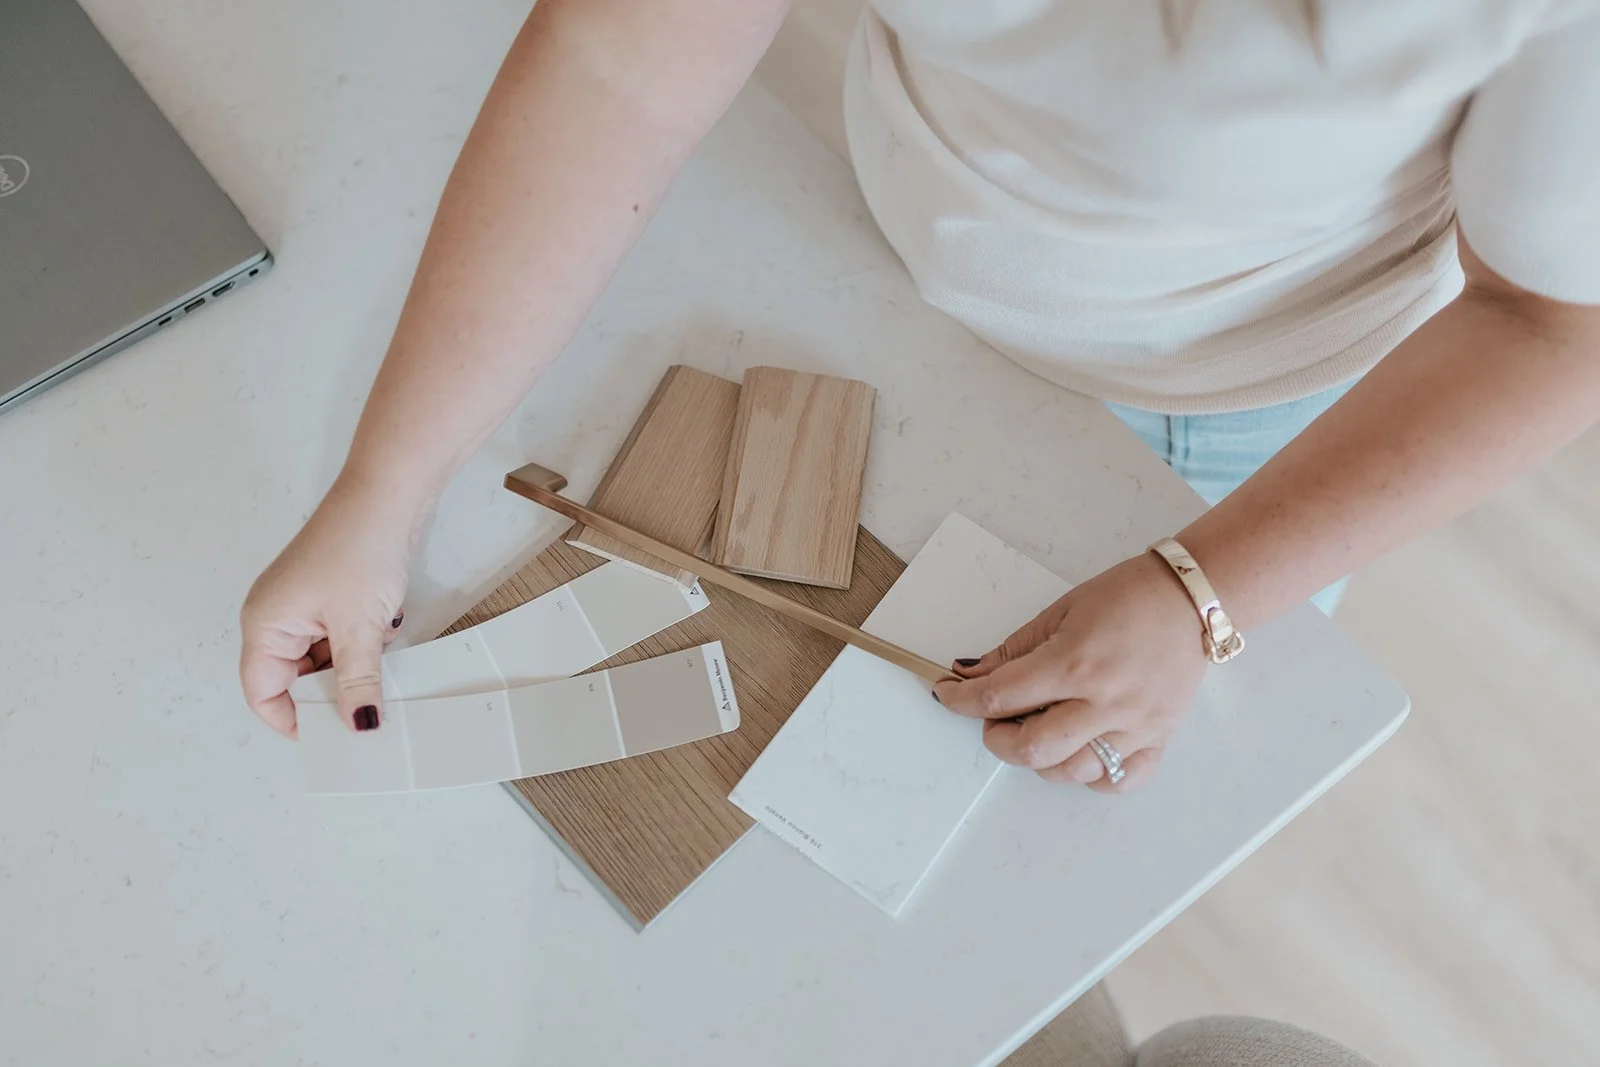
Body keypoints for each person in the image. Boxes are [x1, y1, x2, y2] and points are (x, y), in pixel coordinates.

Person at [241, 0, 1600, 793]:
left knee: (1032, 794)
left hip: (1240, 408)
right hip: (897, 250)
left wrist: (1203, 591)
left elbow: (1553, 324)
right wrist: (383, 486)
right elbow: (624, 58)